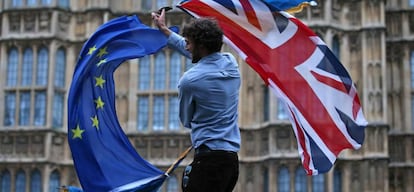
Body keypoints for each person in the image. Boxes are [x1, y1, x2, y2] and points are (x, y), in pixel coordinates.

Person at [152, 8, 241, 192]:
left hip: (208, 161)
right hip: (231, 162)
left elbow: (186, 120)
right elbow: (205, 59)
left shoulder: (189, 81)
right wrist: (165, 30)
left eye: (189, 43)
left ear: (200, 47)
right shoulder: (231, 64)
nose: (186, 47)